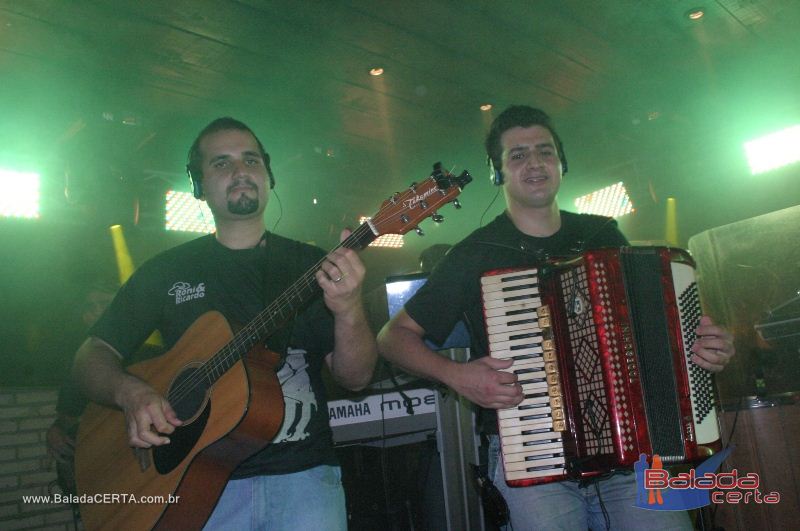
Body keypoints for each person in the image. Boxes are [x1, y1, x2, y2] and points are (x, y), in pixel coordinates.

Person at [377, 105, 735, 530]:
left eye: (545, 152)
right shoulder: (475, 253)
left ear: (561, 163)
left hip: (631, 454)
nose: (534, 163)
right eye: (518, 155)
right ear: (498, 173)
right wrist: (458, 376)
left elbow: (655, 326)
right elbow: (392, 337)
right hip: (532, 457)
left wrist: (702, 348)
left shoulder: (603, 234)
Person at [72, 117, 377, 530]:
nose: (239, 171)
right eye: (221, 163)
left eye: (251, 160)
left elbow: (357, 378)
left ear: (268, 175)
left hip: (304, 480)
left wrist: (350, 308)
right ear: (199, 187)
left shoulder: (313, 266)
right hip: (193, 488)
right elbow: (91, 355)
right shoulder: (165, 272)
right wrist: (129, 392)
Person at [47, 281, 117, 496]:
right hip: (99, 473)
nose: (97, 312)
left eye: (105, 304)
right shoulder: (80, 362)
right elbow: (67, 415)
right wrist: (56, 431)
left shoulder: (152, 353)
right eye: (90, 307)